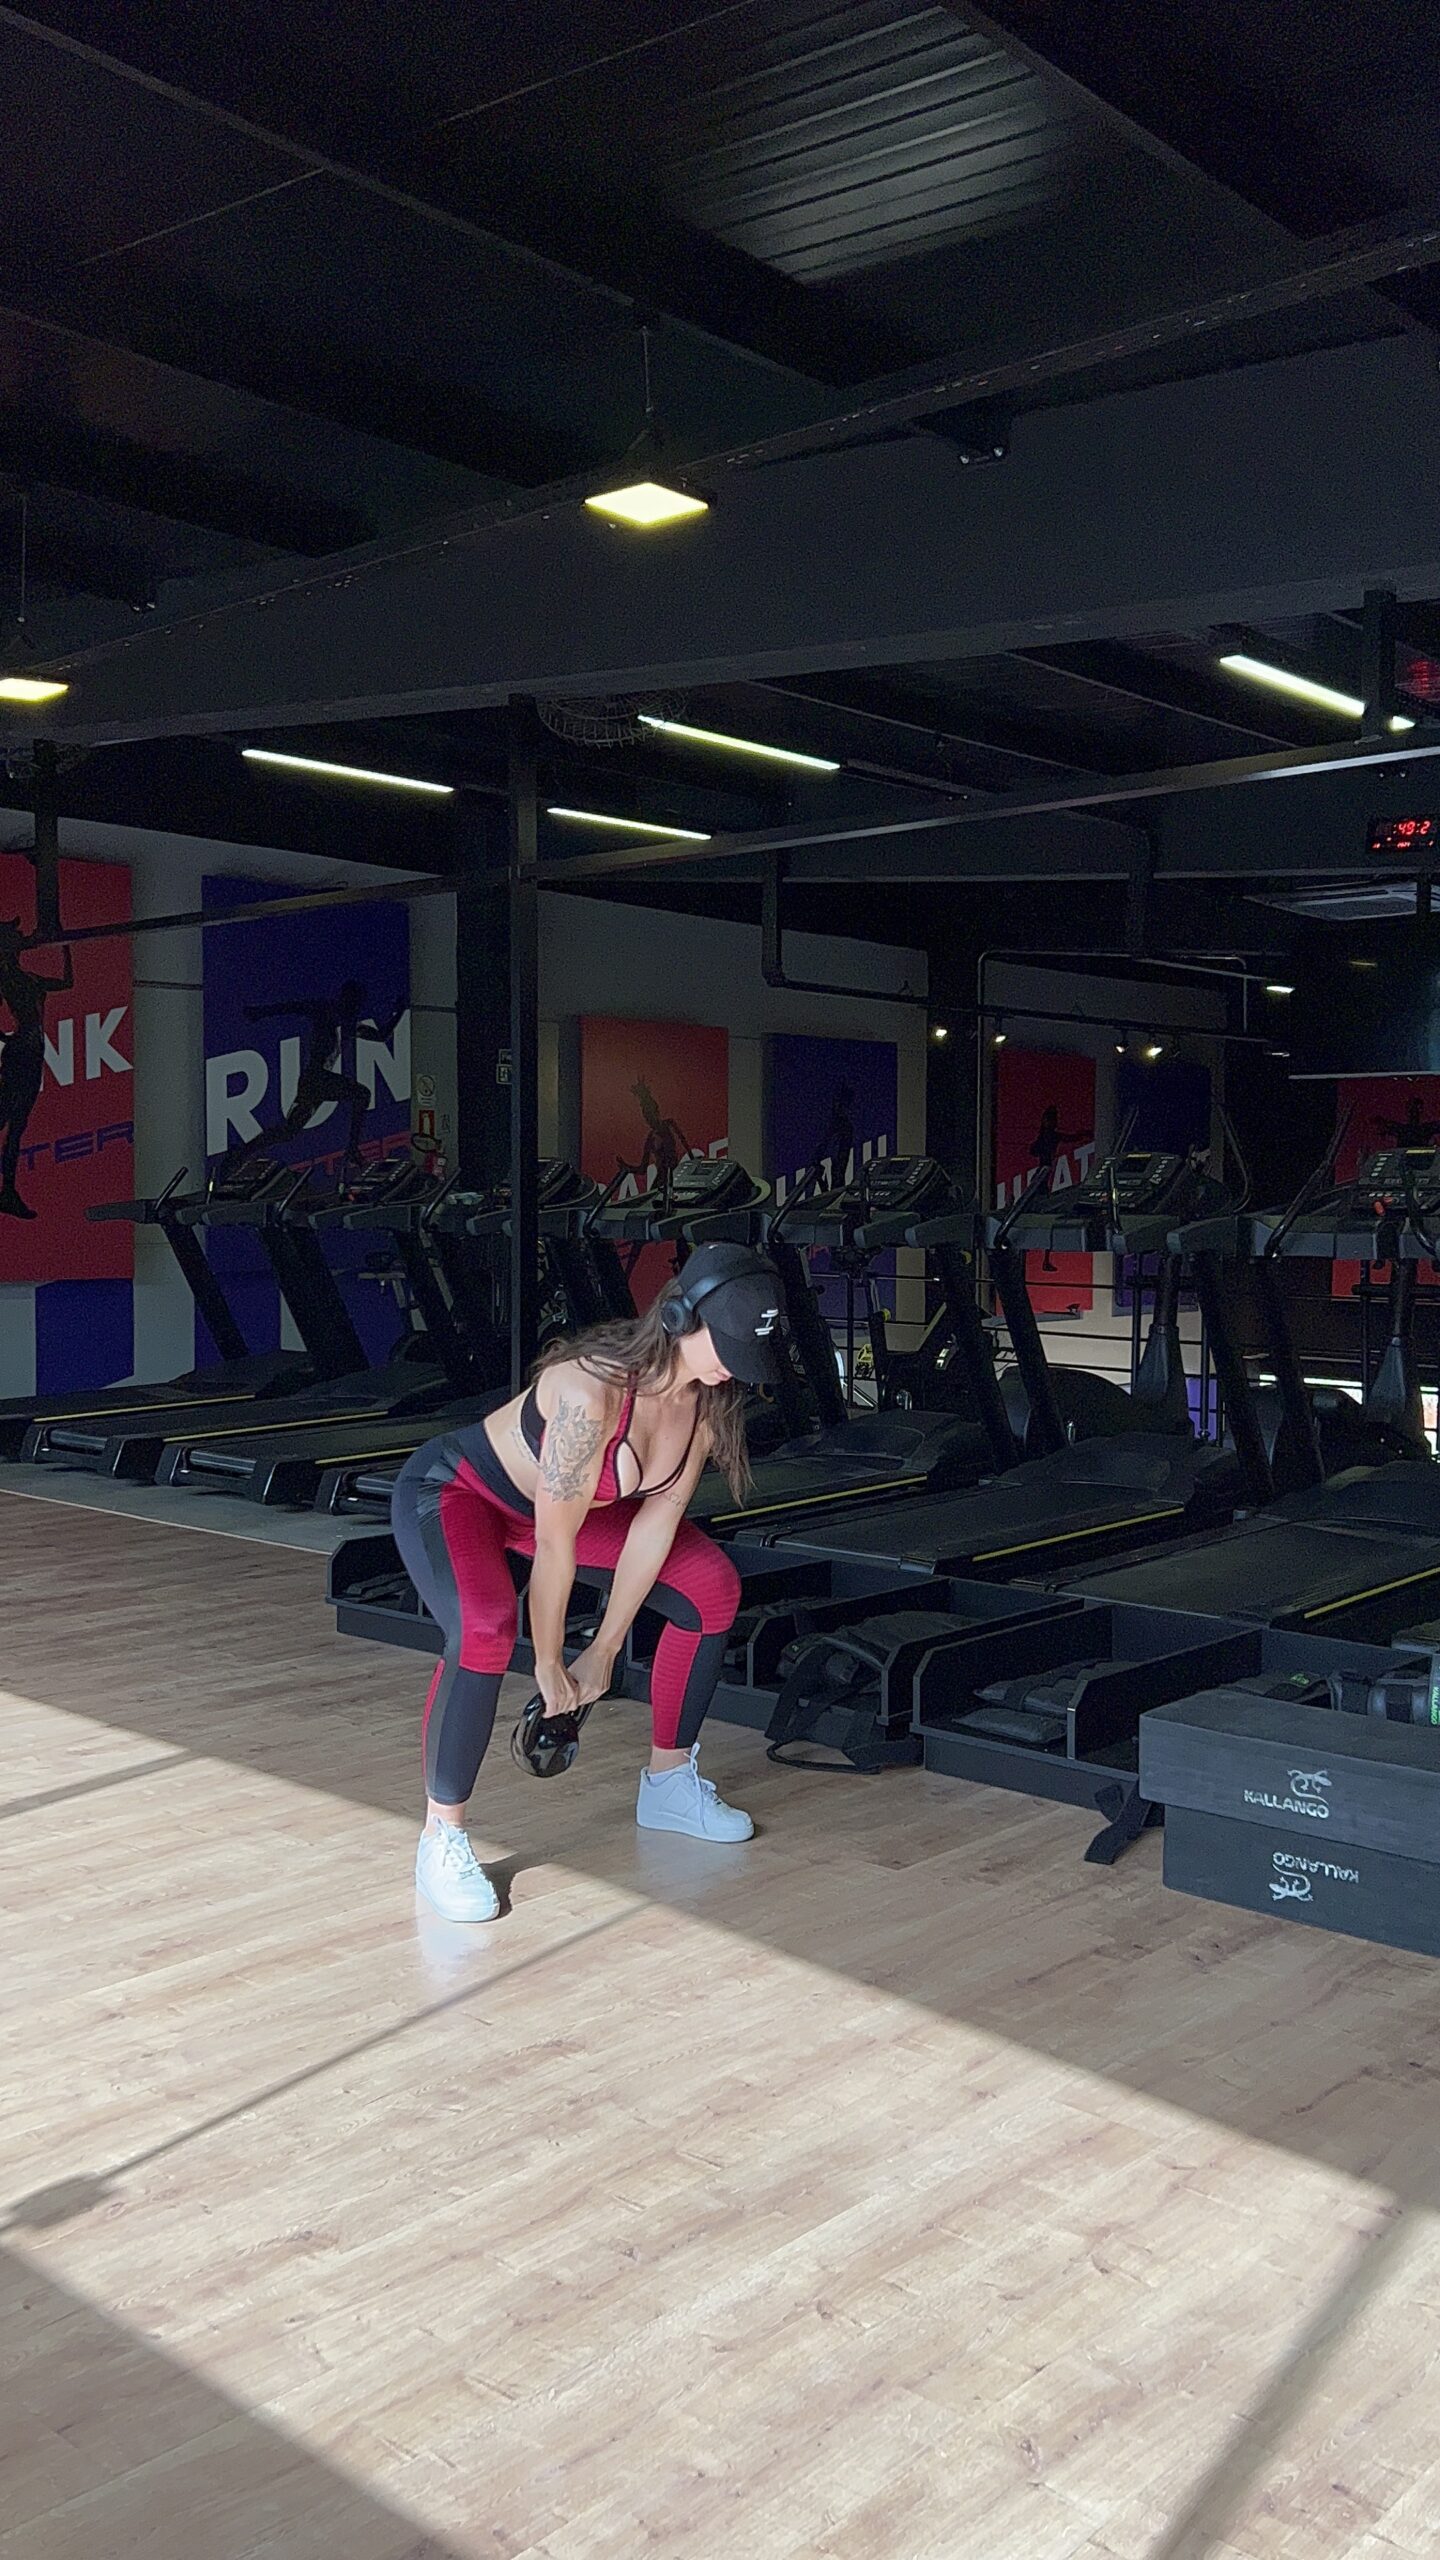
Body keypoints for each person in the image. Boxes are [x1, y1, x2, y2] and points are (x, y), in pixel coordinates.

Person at [391, 1243, 787, 1923]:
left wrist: (604, 1649)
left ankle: (669, 1783)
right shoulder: (589, 1393)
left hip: (557, 1516)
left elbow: (654, 1529)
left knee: (710, 1586)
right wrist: (548, 1661)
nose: (732, 1367)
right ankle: (442, 1838)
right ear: (680, 1316)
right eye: (725, 1346)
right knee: (486, 1629)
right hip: (460, 1495)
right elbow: (555, 1542)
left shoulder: (705, 1408)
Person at [228, 980, 404, 1175]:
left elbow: (380, 1036)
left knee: (288, 1131)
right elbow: (294, 1007)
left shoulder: (350, 1024)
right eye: (355, 1001)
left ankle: (242, 1152)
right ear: (346, 998)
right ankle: (352, 1150)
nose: (357, 1007)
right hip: (316, 1077)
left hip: (314, 1081)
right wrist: (260, 1012)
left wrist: (399, 1012)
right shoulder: (325, 1010)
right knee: (361, 1094)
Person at [0, 919, 73, 1219]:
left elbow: (66, 983)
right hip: (21, 1054)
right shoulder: (6, 977)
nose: (21, 939)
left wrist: (65, 946)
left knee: (17, 1126)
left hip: (32, 1054)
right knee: (5, 1117)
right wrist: (8, 1038)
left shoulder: (27, 977)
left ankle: (8, 1191)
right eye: (14, 936)